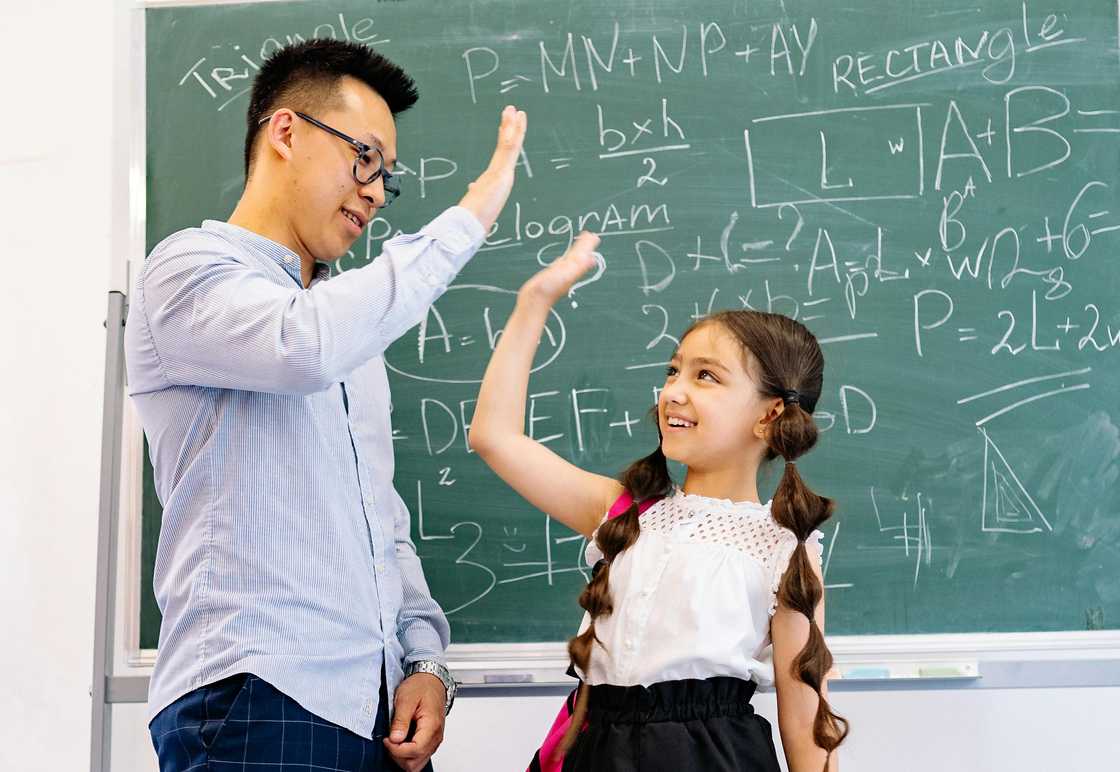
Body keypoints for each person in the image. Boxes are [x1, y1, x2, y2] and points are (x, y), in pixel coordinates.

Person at [127, 38, 527, 771]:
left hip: (374, 715)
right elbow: (300, 347)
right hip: (257, 698)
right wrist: (470, 215)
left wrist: (425, 661)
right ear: (286, 132)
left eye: (386, 177)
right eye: (364, 157)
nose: (375, 191)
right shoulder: (188, 270)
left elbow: (381, 519)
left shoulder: (352, 336)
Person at [469, 234, 849, 771]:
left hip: (715, 757)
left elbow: (806, 729)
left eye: (706, 376)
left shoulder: (783, 546)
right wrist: (535, 302)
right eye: (673, 371)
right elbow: (494, 436)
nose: (673, 390)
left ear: (769, 415)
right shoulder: (624, 511)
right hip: (596, 751)